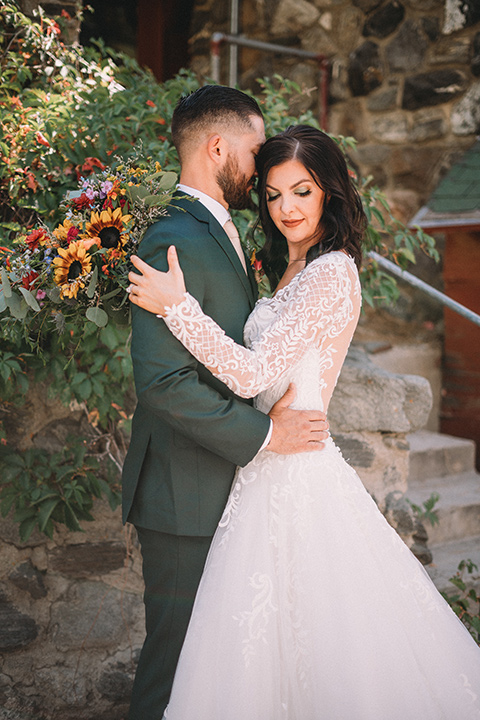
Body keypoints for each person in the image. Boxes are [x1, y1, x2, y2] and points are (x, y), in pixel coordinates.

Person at [128, 125, 480, 719]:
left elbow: (251, 373)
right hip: (264, 468)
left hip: (299, 473)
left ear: (330, 195)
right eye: (272, 195)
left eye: (303, 192)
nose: (286, 208)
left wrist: (178, 308)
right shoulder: (287, 270)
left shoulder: (333, 272)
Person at [121, 89, 329, 720]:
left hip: (230, 487)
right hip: (186, 492)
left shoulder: (223, 231)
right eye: (254, 147)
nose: (263, 162)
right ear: (218, 147)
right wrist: (267, 436)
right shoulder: (173, 238)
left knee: (221, 674)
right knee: (176, 670)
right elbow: (163, 383)